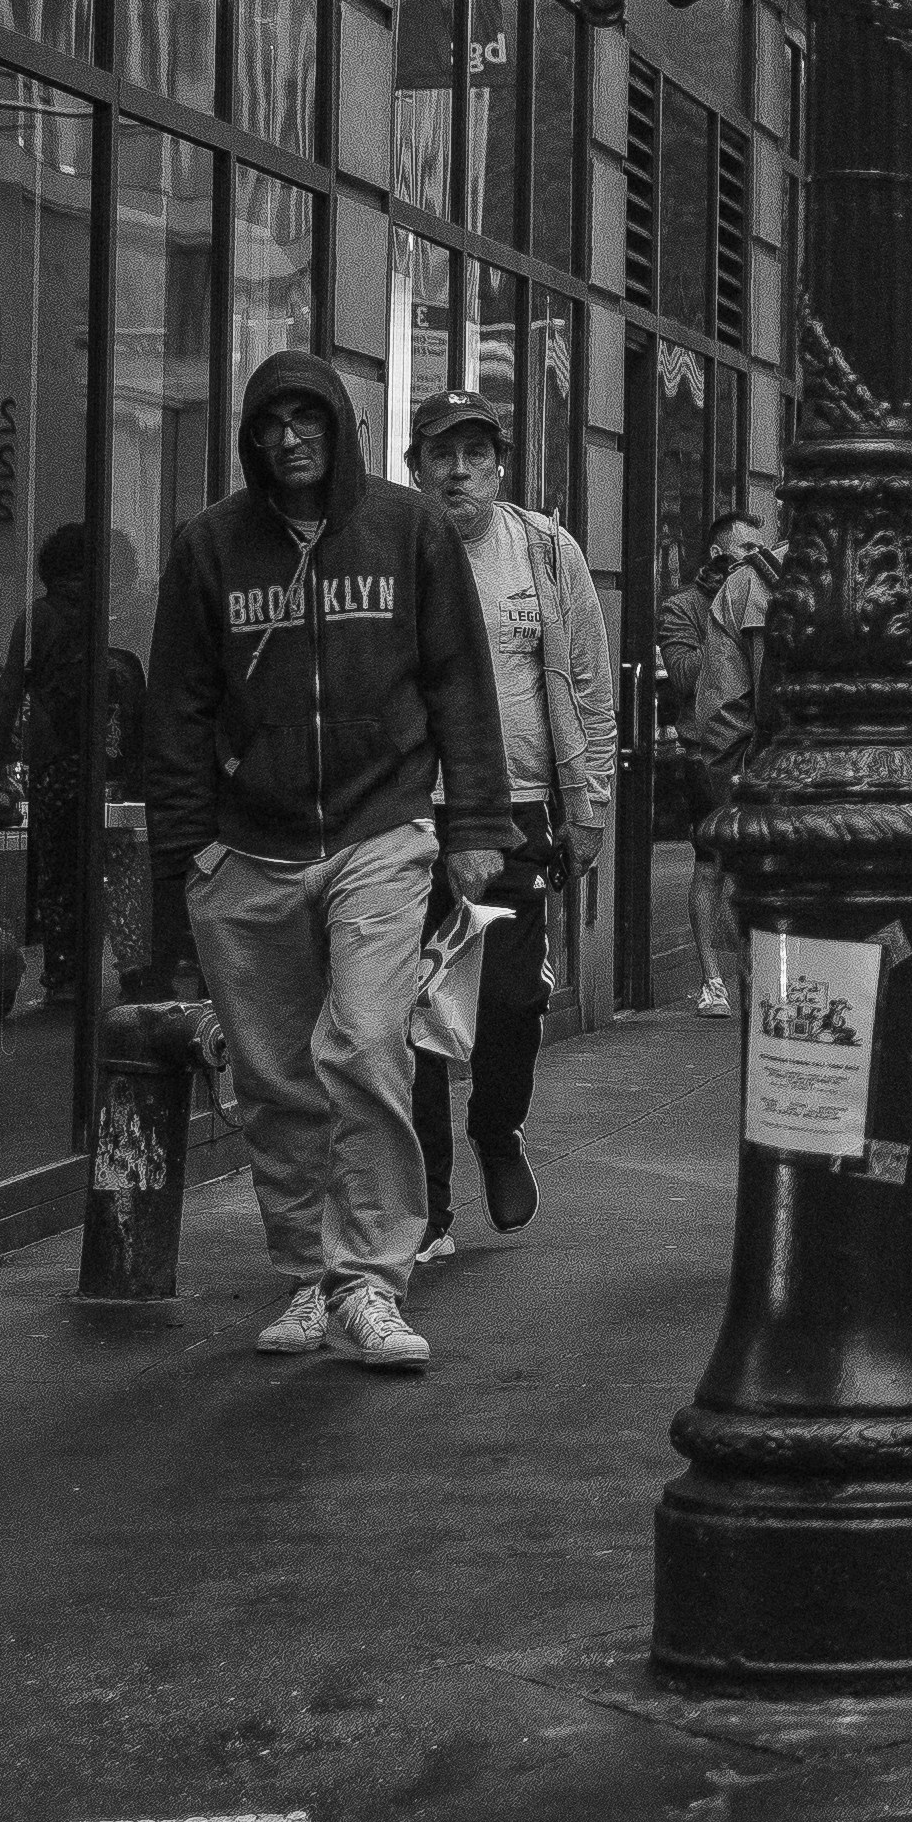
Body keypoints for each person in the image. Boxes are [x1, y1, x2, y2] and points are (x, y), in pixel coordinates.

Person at [144, 354, 510, 1373]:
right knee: (273, 1075)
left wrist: (477, 823)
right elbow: (174, 708)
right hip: (247, 846)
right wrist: (191, 853)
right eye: (272, 423)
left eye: (310, 419)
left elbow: (459, 682)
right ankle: (310, 1272)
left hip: (378, 830)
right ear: (251, 437)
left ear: (342, 429)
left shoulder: (408, 531)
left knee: (362, 1042)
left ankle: (373, 1281)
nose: (290, 438)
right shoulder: (210, 547)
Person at [402, 390, 615, 1261]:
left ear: (499, 465)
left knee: (509, 1004)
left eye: (474, 454)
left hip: (522, 806)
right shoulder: (394, 548)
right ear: (415, 467)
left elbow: (590, 687)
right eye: (441, 455)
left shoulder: (543, 550)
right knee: (411, 1016)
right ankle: (427, 1208)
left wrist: (588, 805)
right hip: (415, 812)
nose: (458, 471)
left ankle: (498, 1130)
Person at [0, 526, 145, 998]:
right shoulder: (116, 615)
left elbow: (11, 688)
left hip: (55, 759)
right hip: (111, 764)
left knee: (57, 869)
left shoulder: (37, 616)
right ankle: (134, 965)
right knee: (116, 865)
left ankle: (64, 975)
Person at [682, 511, 775, 1014]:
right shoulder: (702, 603)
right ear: (719, 553)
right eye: (744, 548)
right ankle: (718, 978)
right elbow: (686, 677)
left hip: (748, 767)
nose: (755, 555)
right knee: (712, 870)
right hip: (719, 760)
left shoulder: (750, 589)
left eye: (759, 546)